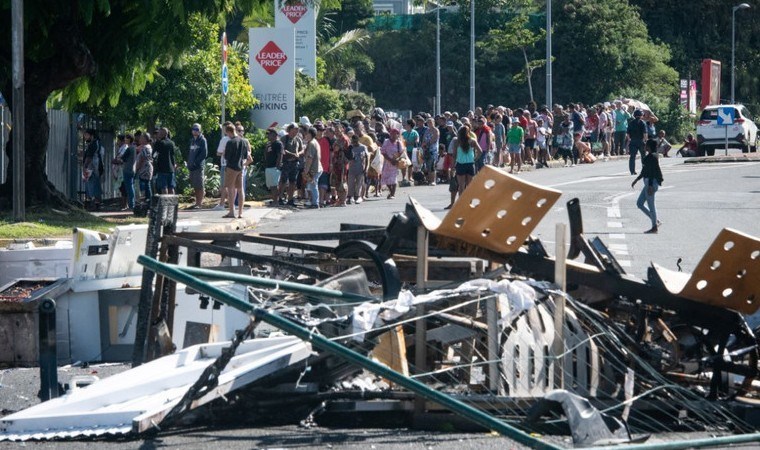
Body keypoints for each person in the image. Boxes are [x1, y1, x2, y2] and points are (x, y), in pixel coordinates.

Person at [631, 139, 664, 234]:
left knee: (651, 205)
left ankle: (654, 227)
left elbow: (651, 173)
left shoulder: (653, 157)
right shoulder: (649, 157)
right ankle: (656, 221)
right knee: (639, 203)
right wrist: (637, 179)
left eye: (646, 145)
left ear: (649, 147)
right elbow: (645, 171)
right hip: (648, 182)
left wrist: (650, 186)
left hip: (651, 183)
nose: (644, 146)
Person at [448, 125, 482, 208]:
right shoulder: (472, 140)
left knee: (461, 186)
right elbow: (480, 151)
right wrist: (475, 159)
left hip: (460, 164)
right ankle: (469, 203)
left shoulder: (457, 141)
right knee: (470, 185)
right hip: (470, 164)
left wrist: (452, 167)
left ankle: (461, 204)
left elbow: (454, 155)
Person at [222, 123, 250, 218]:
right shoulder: (243, 141)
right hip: (240, 167)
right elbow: (246, 156)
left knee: (230, 189)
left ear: (229, 132)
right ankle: (240, 213)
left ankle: (231, 212)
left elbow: (226, 156)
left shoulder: (230, 142)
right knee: (240, 189)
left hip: (231, 167)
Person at [278, 123, 303, 206]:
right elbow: (283, 150)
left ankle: (290, 199)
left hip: (295, 163)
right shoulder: (284, 138)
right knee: (283, 181)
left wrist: (298, 154)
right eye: (295, 129)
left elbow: (302, 150)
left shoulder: (298, 139)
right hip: (286, 162)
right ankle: (280, 198)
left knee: (293, 182)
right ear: (290, 129)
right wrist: (293, 154)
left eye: (297, 129)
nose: (296, 131)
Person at [213, 121, 234, 210]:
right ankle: (231, 205)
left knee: (224, 186)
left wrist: (221, 153)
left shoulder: (225, 139)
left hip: (225, 164)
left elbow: (219, 152)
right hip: (234, 165)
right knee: (233, 186)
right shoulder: (237, 139)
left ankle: (222, 204)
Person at [187, 123, 207, 209]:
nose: (195, 131)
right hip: (192, 166)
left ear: (200, 131)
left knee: (200, 185)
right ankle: (196, 202)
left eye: (197, 129)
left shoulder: (202, 140)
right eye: (193, 129)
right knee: (195, 185)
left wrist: (196, 162)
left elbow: (204, 153)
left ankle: (199, 203)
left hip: (198, 166)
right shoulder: (192, 140)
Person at [82, 129, 104, 210]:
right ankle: (96, 203)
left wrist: (85, 166)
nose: (85, 137)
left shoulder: (94, 144)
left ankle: (94, 204)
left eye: (86, 135)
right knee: (94, 184)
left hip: (93, 168)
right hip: (95, 167)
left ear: (92, 135)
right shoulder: (96, 143)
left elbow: (89, 157)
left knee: (92, 185)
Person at [380, 128, 404, 199]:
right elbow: (383, 152)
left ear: (397, 135)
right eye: (392, 134)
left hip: (395, 163)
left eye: (395, 134)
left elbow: (401, 152)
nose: (393, 135)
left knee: (393, 179)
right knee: (386, 178)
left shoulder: (399, 143)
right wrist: (390, 160)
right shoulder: (386, 141)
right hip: (387, 163)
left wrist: (396, 159)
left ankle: (392, 194)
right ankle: (391, 192)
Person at [152, 127, 178, 194]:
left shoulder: (159, 143)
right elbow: (173, 155)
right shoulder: (172, 143)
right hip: (171, 168)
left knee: (164, 187)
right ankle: (173, 202)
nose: (158, 134)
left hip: (162, 168)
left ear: (162, 134)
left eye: (159, 133)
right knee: (171, 187)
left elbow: (154, 155)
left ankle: (165, 202)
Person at [114, 134, 136, 211]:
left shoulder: (129, 149)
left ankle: (131, 205)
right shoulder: (133, 148)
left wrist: (118, 159)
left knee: (128, 188)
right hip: (131, 169)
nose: (125, 140)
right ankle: (131, 204)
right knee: (130, 187)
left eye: (126, 139)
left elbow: (122, 159)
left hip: (127, 170)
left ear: (129, 139)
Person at [302, 127, 322, 208]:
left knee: (313, 185)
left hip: (314, 169)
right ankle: (312, 201)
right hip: (317, 168)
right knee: (311, 185)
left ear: (310, 134)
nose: (305, 135)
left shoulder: (311, 144)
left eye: (306, 133)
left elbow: (310, 158)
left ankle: (315, 203)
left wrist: (306, 171)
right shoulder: (315, 142)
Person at [347, 134, 368, 204]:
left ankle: (358, 196)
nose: (354, 143)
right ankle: (350, 197)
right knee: (350, 183)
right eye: (353, 142)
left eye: (355, 142)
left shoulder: (363, 147)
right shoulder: (350, 147)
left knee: (359, 183)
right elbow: (347, 157)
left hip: (360, 168)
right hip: (352, 168)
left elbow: (367, 157)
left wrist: (366, 168)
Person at [264, 128, 282, 205]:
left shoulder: (278, 144)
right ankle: (274, 200)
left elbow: (280, 155)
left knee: (275, 185)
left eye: (269, 134)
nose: (268, 136)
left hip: (274, 167)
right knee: (271, 185)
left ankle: (276, 201)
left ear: (274, 135)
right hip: (268, 167)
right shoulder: (269, 144)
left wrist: (277, 166)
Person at [626, 109, 648, 175]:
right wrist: (645, 140)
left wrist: (630, 140)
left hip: (633, 141)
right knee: (643, 156)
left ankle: (632, 171)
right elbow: (645, 133)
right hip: (641, 141)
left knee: (632, 157)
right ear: (641, 115)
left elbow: (628, 134)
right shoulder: (643, 123)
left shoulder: (631, 123)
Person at [135, 132, 154, 203]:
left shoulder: (145, 148)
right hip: (147, 168)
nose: (139, 139)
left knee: (145, 185)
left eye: (141, 138)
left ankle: (147, 201)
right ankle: (148, 201)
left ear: (145, 139)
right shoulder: (148, 147)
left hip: (145, 168)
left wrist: (137, 168)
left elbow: (142, 159)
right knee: (146, 184)